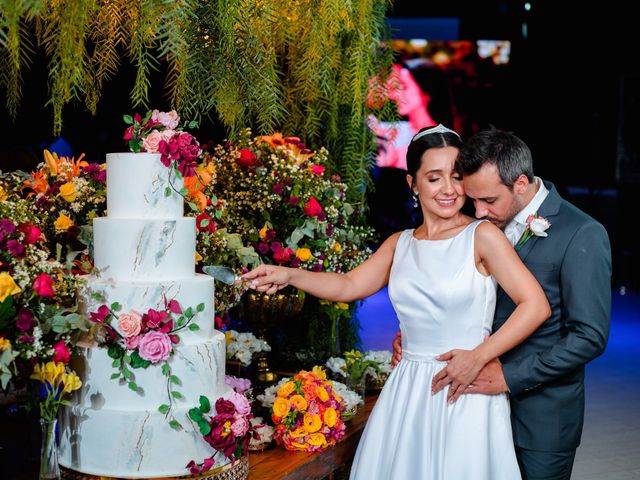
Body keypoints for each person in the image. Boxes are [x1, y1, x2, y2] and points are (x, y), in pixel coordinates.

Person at [243, 124, 550, 479]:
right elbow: (347, 285)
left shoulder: (481, 236)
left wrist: (478, 357)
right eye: (434, 178)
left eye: (456, 176)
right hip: (407, 389)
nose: (449, 189)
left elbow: (535, 305)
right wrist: (289, 275)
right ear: (413, 185)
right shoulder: (399, 243)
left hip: (465, 386)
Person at [392, 126, 612, 480]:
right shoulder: (482, 227)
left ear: (520, 184)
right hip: (473, 412)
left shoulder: (582, 233)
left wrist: (508, 376)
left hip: (539, 419)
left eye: (489, 201)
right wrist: (415, 333)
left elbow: (589, 337)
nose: (478, 211)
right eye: (472, 198)